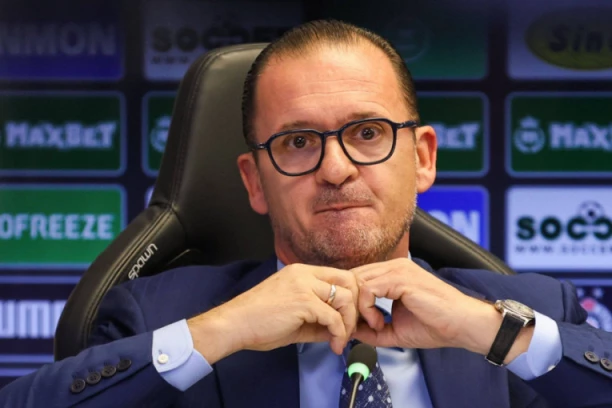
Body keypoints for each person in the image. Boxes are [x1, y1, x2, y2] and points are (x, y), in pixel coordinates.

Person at [1, 19, 612, 408]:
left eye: (367, 133)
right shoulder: (157, 314)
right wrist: (222, 331)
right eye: (297, 142)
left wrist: (490, 331)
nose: (336, 169)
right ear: (254, 182)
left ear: (423, 158)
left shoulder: (527, 310)